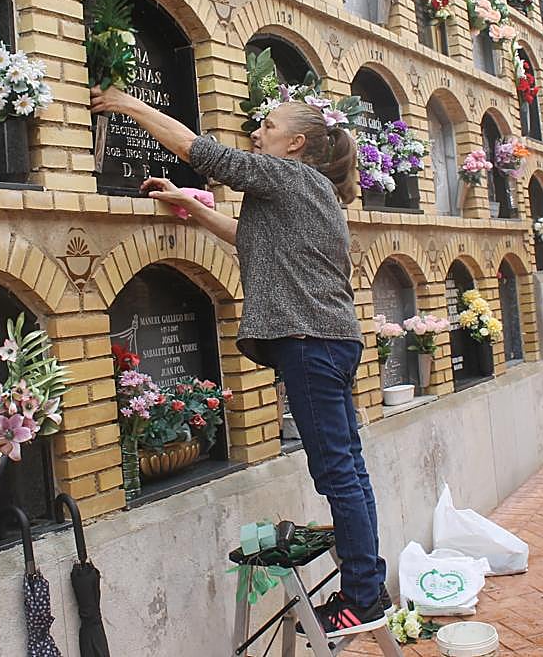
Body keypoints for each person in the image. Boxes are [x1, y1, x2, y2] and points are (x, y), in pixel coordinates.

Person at [90, 87, 389, 635]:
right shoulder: (308, 189)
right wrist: (190, 205)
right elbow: (248, 238)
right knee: (348, 467)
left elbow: (201, 151)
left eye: (268, 126)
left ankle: (362, 597)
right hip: (328, 341)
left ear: (295, 143)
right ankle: (369, 583)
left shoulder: (288, 176)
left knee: (336, 473)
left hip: (308, 342)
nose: (257, 132)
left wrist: (126, 104)